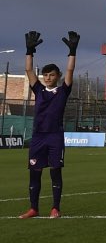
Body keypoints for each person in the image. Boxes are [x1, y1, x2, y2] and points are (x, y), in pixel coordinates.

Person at [19, 30, 77, 219]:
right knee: (34, 173)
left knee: (55, 172)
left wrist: (72, 51)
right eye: (45, 75)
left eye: (51, 75)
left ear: (57, 76)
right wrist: (29, 50)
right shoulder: (39, 90)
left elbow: (70, 71)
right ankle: (33, 208)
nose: (48, 77)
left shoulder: (63, 91)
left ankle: (55, 208)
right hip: (38, 136)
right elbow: (28, 70)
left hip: (55, 136)